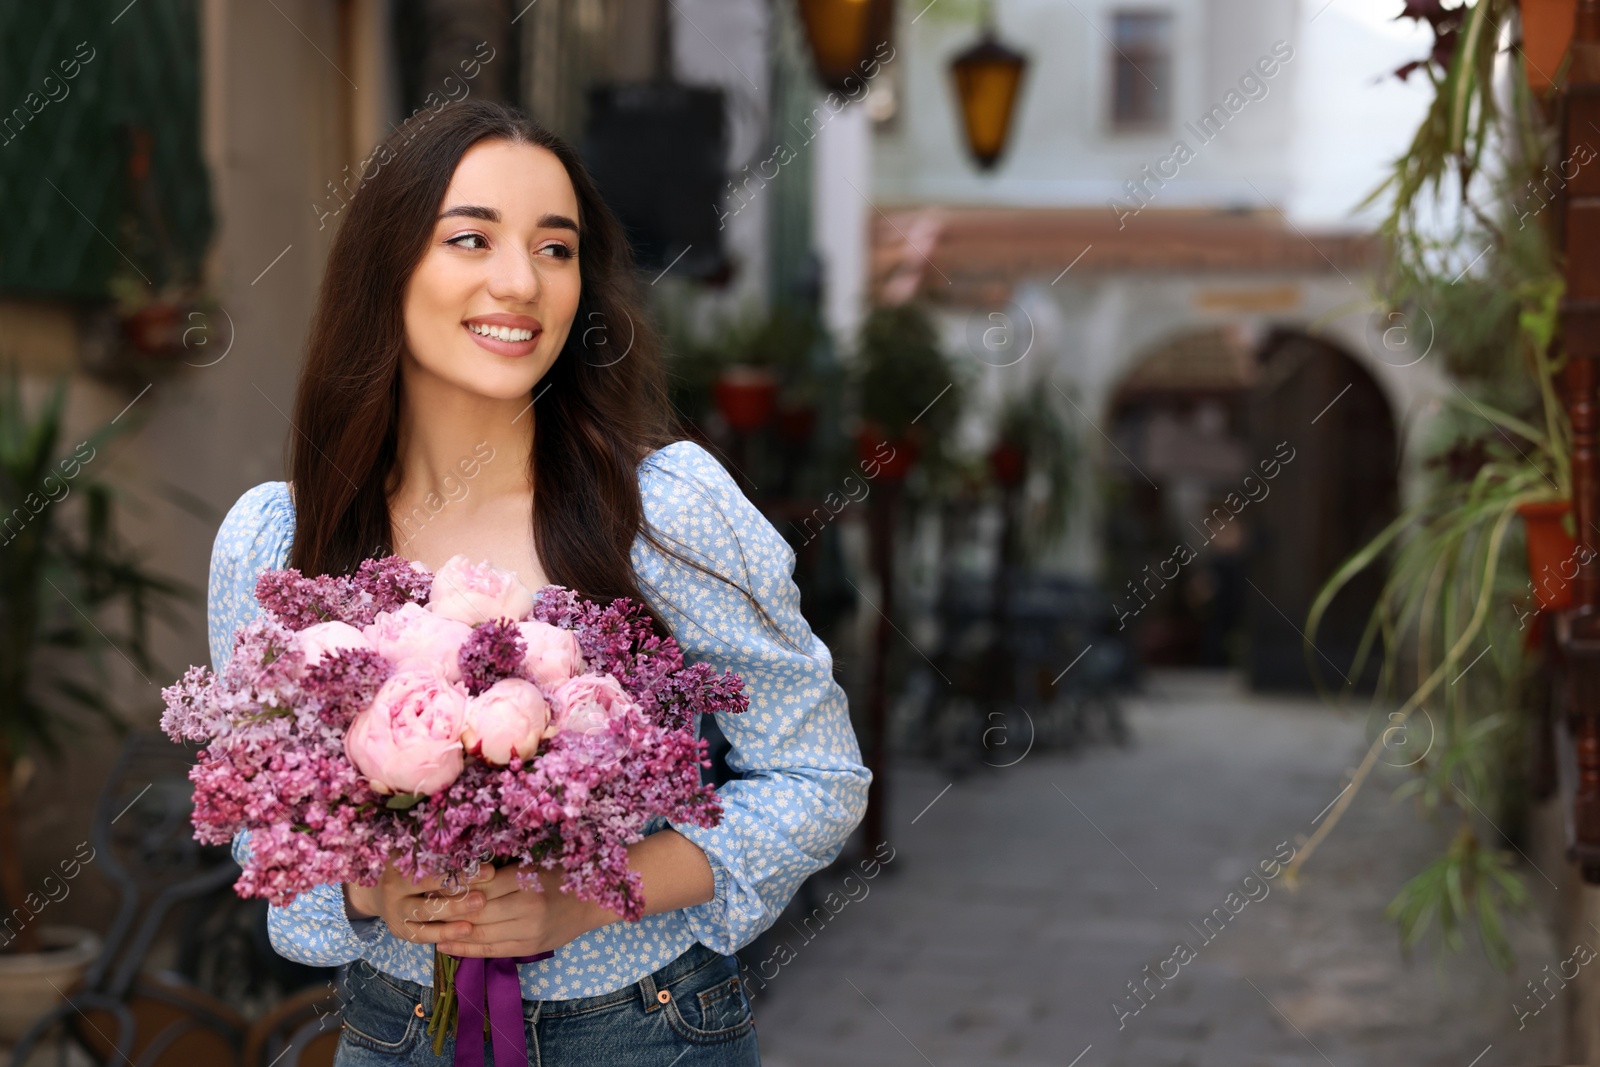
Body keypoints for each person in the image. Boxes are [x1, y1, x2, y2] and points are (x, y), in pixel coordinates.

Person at [205, 99, 870, 1065]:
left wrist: (595, 891)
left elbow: (818, 777)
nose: (521, 282)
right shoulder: (277, 541)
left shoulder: (666, 511)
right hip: (396, 1033)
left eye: (556, 250)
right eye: (471, 239)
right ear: (385, 269)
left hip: (643, 1028)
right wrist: (369, 887)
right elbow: (259, 827)